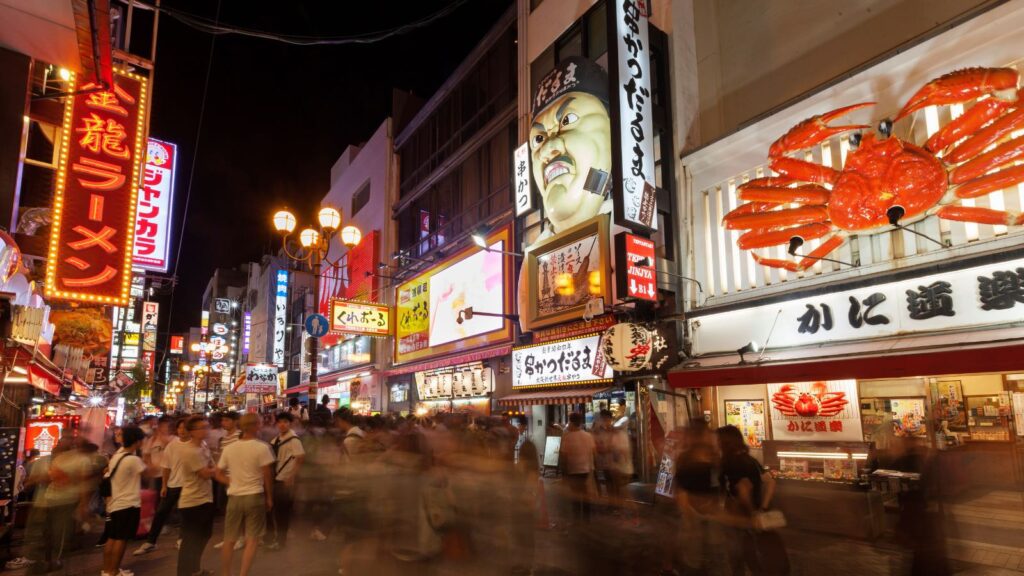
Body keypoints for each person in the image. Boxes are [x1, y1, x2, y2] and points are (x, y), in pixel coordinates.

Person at [529, 56, 613, 240]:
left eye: (567, 120)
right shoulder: (536, 257)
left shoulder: (621, 225)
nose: (547, 149)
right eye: (538, 139)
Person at [717, 425, 786, 576]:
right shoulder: (751, 460)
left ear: (724, 442)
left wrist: (751, 513)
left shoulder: (730, 463)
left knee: (739, 559)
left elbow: (743, 489)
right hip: (755, 516)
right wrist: (763, 507)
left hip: (739, 518)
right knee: (756, 558)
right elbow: (771, 482)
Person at [216, 413, 274, 576]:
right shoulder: (262, 447)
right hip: (254, 496)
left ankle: (225, 573)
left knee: (229, 539)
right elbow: (267, 475)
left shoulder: (229, 448)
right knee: (252, 539)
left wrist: (231, 482)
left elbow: (218, 473)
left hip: (234, 497)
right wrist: (269, 498)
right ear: (255, 426)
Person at [135, 417, 189, 555]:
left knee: (184, 512)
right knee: (160, 512)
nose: (182, 430)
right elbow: (165, 466)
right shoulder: (170, 444)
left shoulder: (180, 442)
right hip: (171, 483)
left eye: (185, 428)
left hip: (187, 483)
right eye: (180, 428)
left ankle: (182, 539)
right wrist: (165, 485)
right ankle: (151, 541)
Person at [102, 426, 148, 576]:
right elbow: (149, 473)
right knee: (120, 540)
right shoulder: (133, 460)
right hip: (128, 503)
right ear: (137, 441)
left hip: (115, 502)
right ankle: (114, 571)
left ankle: (107, 570)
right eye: (142, 440)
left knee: (112, 538)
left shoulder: (117, 455)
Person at [177, 416, 217, 576]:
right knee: (191, 541)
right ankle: (185, 572)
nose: (205, 430)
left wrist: (213, 468)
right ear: (192, 432)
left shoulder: (204, 446)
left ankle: (195, 569)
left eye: (206, 426)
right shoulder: (189, 451)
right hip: (193, 502)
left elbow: (211, 467)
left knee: (205, 535)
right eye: (201, 427)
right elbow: (206, 473)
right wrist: (218, 469)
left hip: (205, 498)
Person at [267, 412, 304, 549]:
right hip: (276, 478)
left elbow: (300, 458)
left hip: (285, 480)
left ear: (290, 424)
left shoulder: (294, 440)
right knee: (276, 511)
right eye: (280, 422)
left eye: (285, 422)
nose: (282, 425)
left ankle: (281, 541)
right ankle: (277, 538)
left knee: (282, 513)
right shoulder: (276, 439)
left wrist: (292, 476)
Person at [558, 412, 596, 525]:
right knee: (585, 494)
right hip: (586, 469)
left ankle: (576, 519)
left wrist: (563, 473)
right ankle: (586, 519)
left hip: (573, 470)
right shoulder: (588, 436)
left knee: (575, 495)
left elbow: (563, 456)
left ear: (571, 422)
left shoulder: (567, 437)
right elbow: (593, 453)